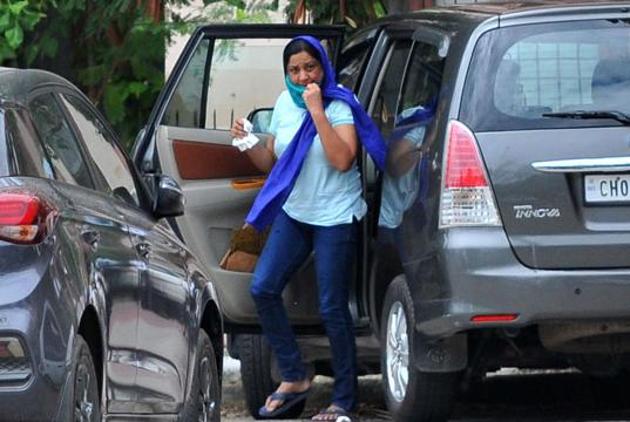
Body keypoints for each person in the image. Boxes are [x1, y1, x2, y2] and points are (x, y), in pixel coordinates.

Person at [231, 36, 386, 421]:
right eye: (294, 70)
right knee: (262, 287)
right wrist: (247, 140)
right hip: (297, 212)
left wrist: (318, 111)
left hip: (336, 215)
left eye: (309, 67)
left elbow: (342, 159)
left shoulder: (340, 103)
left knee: (333, 307)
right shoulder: (284, 104)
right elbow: (274, 161)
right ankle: (295, 376)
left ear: (323, 67)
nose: (302, 77)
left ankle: (344, 400)